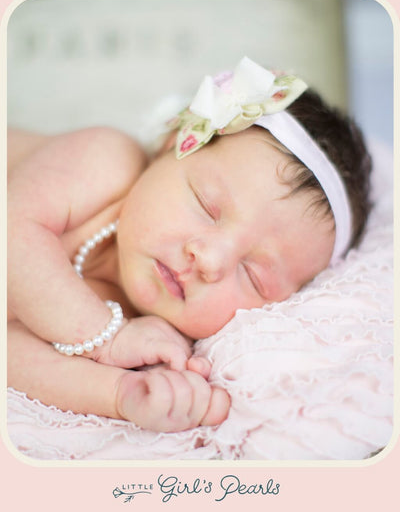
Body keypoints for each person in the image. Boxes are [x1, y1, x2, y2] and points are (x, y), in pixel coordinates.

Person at [7, 57, 371, 433]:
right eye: (206, 206)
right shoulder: (106, 161)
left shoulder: (152, 334)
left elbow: (12, 354)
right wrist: (107, 338)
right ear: (173, 144)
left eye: (253, 276)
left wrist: (122, 392)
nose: (210, 260)